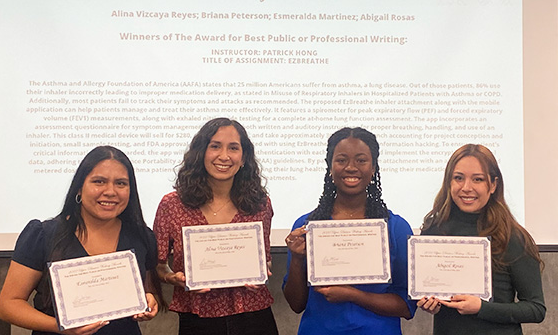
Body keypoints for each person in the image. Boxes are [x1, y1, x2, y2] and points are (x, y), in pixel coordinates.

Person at [0, 145, 164, 335]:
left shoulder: (142, 236)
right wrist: (60, 327)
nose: (110, 191)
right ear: (79, 188)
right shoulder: (43, 235)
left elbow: (147, 290)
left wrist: (149, 300)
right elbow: (7, 306)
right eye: (99, 181)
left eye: (121, 183)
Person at [283, 127, 416, 334]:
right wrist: (297, 259)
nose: (351, 167)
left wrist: (352, 295)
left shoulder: (395, 228)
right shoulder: (307, 226)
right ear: (330, 167)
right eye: (342, 160)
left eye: (361, 160)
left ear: (373, 168)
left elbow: (407, 306)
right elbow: (296, 304)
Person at [153, 117, 278, 335]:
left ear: (244, 157)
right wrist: (173, 278)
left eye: (233, 148)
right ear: (201, 153)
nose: (224, 156)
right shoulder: (172, 205)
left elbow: (265, 260)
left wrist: (262, 272)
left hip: (254, 317)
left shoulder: (260, 204)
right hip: (198, 319)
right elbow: (158, 265)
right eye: (215, 146)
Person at [416, 144, 545, 334]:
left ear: (493, 185)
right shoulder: (433, 231)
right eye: (458, 178)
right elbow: (430, 293)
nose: (466, 188)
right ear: (449, 182)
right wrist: (431, 303)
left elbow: (536, 309)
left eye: (478, 179)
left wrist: (482, 308)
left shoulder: (511, 236)